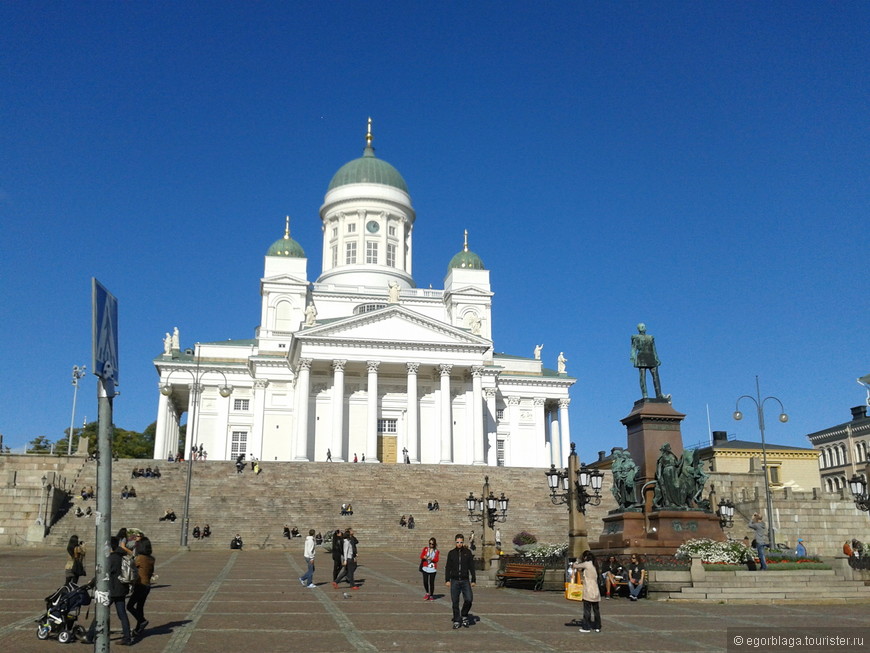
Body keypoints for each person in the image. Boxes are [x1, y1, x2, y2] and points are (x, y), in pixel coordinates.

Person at [445, 533, 476, 629]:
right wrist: (447, 579)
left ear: (463, 542)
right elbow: (448, 567)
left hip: (465, 580)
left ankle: (464, 614)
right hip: (454, 580)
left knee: (469, 599)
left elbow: (471, 567)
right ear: (455, 542)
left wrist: (473, 579)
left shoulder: (467, 552)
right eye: (458, 542)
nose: (459, 544)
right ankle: (457, 620)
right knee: (455, 601)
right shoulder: (451, 553)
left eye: (461, 542)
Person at [108, 536, 134, 645]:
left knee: (101, 611)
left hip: (113, 589)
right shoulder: (122, 555)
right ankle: (127, 637)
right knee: (122, 614)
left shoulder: (113, 558)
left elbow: (106, 572)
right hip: (122, 588)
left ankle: (90, 635)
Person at [127, 534, 154, 636]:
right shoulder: (151, 558)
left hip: (140, 585)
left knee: (129, 606)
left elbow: (132, 566)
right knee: (139, 607)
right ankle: (138, 629)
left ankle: (142, 621)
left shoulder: (140, 558)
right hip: (147, 585)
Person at [630, 322, 663, 399]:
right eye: (641, 327)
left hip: (651, 357)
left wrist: (657, 358)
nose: (643, 328)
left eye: (644, 327)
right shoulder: (636, 337)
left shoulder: (650, 337)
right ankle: (645, 394)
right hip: (641, 358)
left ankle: (659, 394)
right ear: (638, 329)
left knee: (656, 376)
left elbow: (654, 349)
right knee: (642, 377)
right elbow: (633, 348)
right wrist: (633, 357)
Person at [573, 550, 602, 632]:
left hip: (588, 589)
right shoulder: (595, 565)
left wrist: (577, 561)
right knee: (596, 610)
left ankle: (586, 627)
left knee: (587, 609)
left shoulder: (586, 564)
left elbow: (575, 566)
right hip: (595, 589)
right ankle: (597, 626)